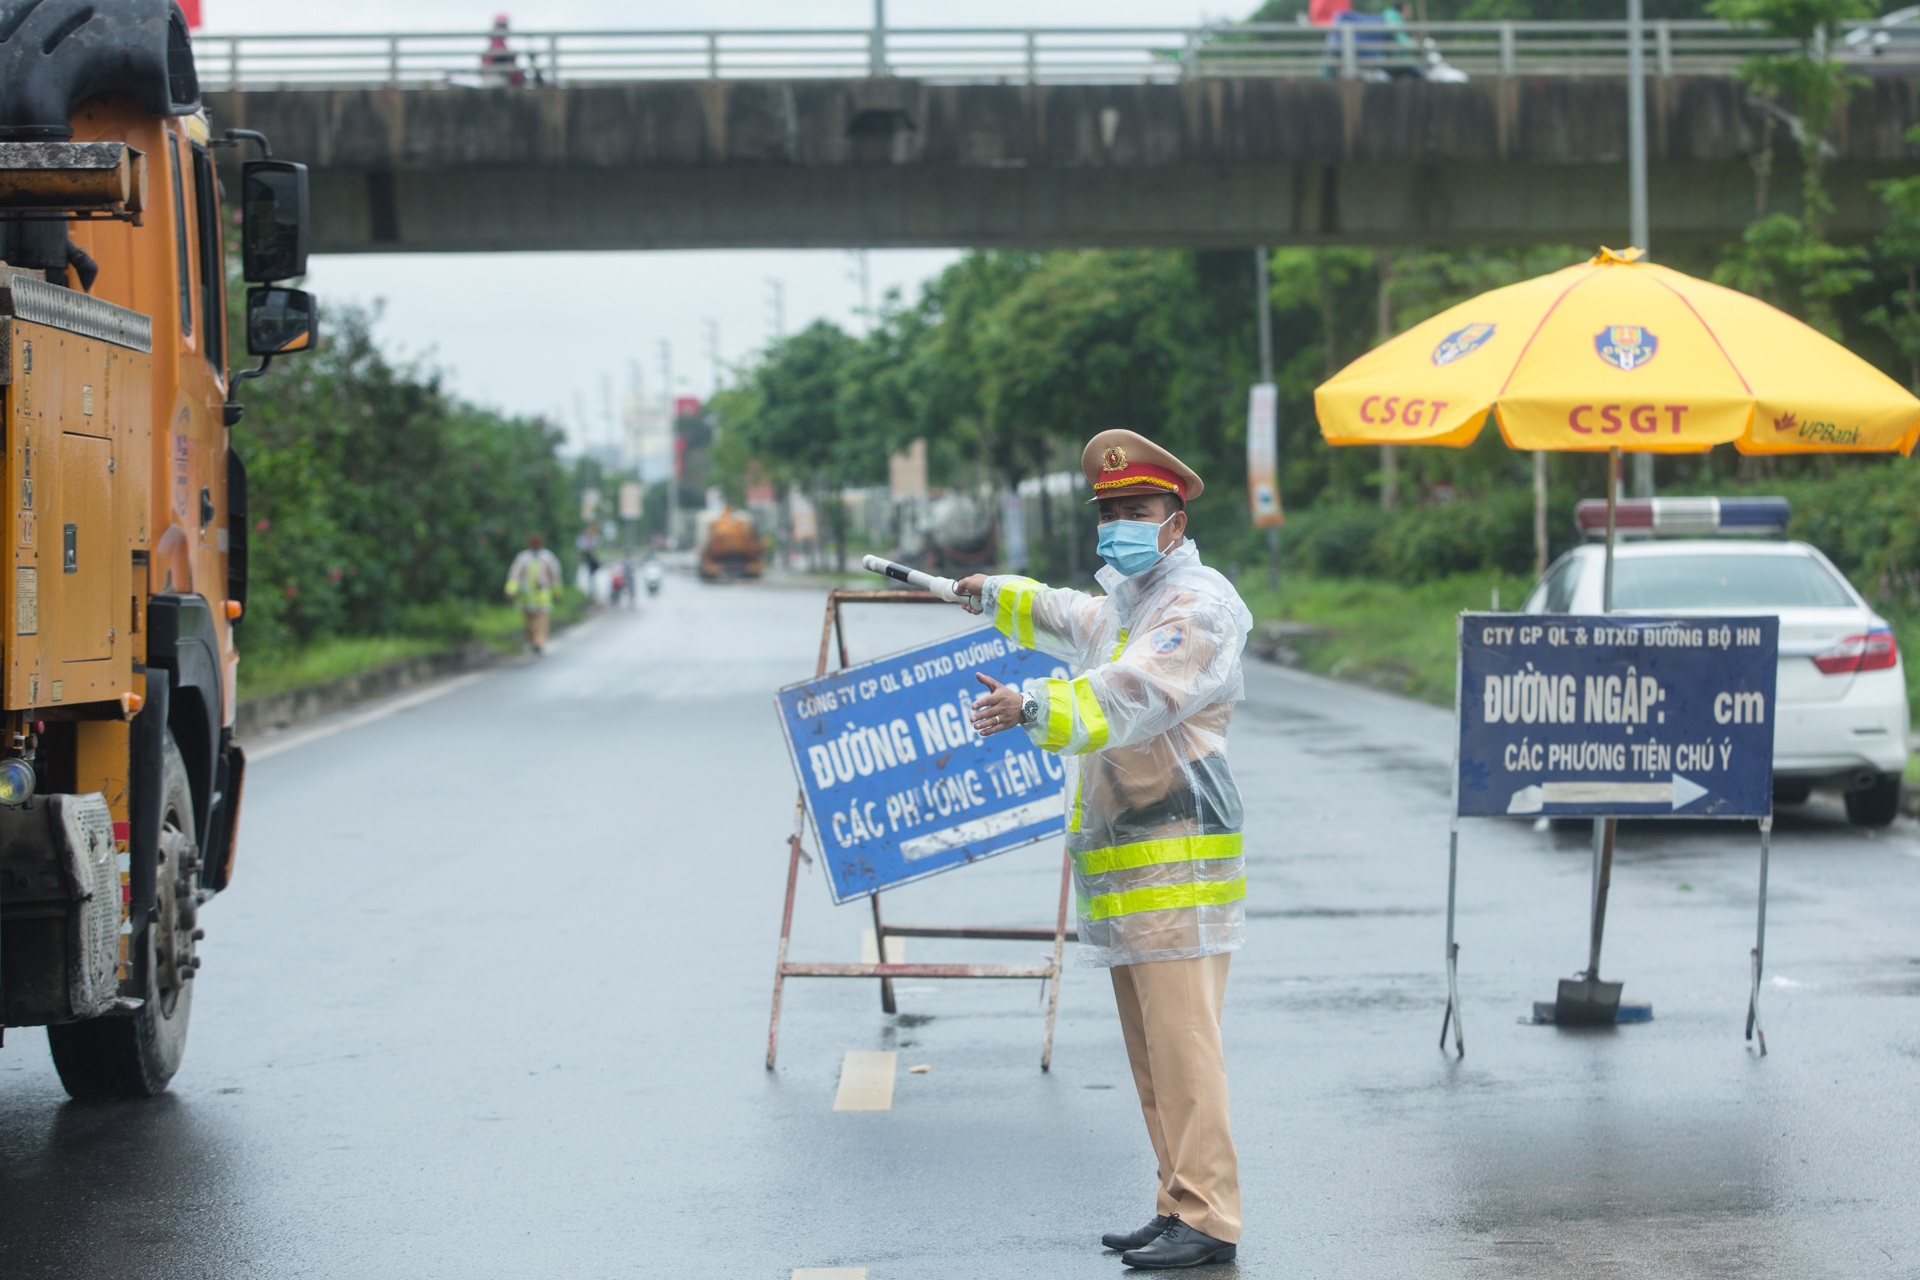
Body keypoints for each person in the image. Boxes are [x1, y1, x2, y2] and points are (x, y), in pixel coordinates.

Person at [956, 430, 1251, 1271]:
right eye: (1110, 511)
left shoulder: (1196, 607)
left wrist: (1034, 707)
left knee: (1186, 1045)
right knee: (1154, 1050)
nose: (1119, 523)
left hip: (1179, 858)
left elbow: (1136, 693)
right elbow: (1065, 612)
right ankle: (1177, 1199)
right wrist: (983, 593)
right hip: (1133, 867)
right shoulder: (1129, 605)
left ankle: (1211, 1216)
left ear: (1175, 520)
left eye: (1136, 510)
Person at [504, 532, 563, 654]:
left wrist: (558, 593)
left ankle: (539, 642)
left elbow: (555, 577)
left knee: (542, 622)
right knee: (529, 623)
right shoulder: (523, 558)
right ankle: (532, 641)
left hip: (542, 596)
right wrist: (510, 591)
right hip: (526, 597)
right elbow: (514, 576)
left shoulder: (548, 557)